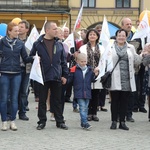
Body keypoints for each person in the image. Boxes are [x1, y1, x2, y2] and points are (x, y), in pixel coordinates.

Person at [30, 21, 69, 130]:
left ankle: (59, 121)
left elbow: (63, 62)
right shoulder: (38, 44)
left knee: (57, 100)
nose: (57, 30)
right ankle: (42, 122)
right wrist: (35, 59)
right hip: (42, 76)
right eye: (54, 29)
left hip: (56, 76)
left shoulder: (59, 44)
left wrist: (65, 75)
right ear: (47, 30)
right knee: (42, 100)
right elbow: (30, 57)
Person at [0, 22, 33, 131]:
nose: (18, 32)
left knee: (14, 99)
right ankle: (4, 121)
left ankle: (12, 121)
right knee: (4, 99)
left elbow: (25, 58)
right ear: (9, 31)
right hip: (4, 73)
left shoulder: (20, 43)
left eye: (18, 30)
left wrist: (35, 58)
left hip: (16, 74)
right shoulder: (2, 42)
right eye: (15, 31)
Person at [108, 29, 142, 130]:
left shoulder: (130, 47)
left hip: (127, 78)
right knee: (114, 101)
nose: (121, 37)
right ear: (116, 36)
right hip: (114, 77)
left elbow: (136, 61)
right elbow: (105, 60)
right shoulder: (110, 47)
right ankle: (114, 121)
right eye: (119, 35)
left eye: (123, 36)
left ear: (126, 37)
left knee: (124, 101)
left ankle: (122, 122)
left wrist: (142, 55)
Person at [68, 53, 99, 130]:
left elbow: (92, 80)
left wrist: (95, 74)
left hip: (87, 92)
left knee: (86, 107)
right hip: (78, 92)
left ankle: (83, 122)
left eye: (85, 61)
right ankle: (85, 123)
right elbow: (70, 81)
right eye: (81, 61)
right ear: (77, 61)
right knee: (82, 108)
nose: (83, 63)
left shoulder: (89, 69)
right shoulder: (74, 69)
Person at [79, 28, 104, 122]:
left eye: (94, 34)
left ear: (97, 37)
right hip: (86, 73)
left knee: (96, 94)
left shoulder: (101, 48)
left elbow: (103, 61)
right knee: (87, 94)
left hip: (98, 73)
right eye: (90, 34)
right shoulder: (83, 48)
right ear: (88, 36)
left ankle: (94, 113)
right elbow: (80, 60)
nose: (92, 36)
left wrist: (98, 69)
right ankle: (88, 113)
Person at [18, 20, 31, 121]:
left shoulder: (31, 42)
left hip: (27, 69)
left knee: (24, 92)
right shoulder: (14, 40)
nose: (19, 29)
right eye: (18, 27)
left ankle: (22, 112)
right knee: (13, 91)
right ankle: (11, 111)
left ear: (27, 29)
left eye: (22, 27)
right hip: (15, 68)